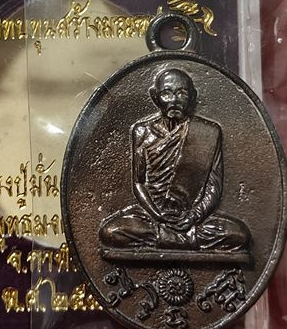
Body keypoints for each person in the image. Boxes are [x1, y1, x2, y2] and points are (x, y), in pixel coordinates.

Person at [100, 68, 250, 252]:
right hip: (153, 216)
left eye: (181, 93)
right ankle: (180, 239)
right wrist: (157, 215)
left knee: (239, 235)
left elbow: (214, 187)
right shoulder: (142, 131)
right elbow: (139, 183)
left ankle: (166, 238)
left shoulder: (208, 132)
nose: (174, 100)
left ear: (192, 96)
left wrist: (193, 216)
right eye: (167, 93)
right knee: (111, 232)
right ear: (155, 97)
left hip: (193, 218)